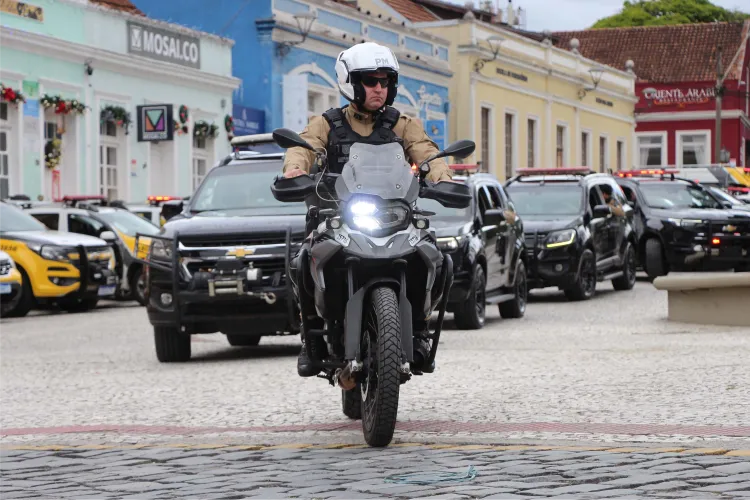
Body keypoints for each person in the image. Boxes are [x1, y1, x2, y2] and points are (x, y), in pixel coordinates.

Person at [284, 42, 450, 377]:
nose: (379, 88)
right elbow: (305, 148)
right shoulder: (325, 123)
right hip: (338, 215)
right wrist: (295, 170)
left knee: (438, 258)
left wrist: (443, 177)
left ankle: (419, 327)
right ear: (350, 83)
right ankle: (311, 337)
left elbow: (426, 152)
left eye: (385, 81)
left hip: (396, 215)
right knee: (302, 260)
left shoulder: (403, 124)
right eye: (370, 81)